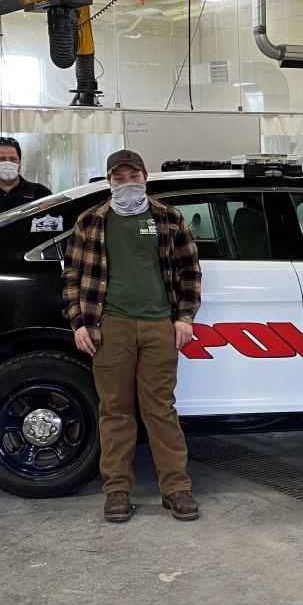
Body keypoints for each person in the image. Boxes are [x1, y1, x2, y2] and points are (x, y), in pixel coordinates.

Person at [62, 149, 202, 523]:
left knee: (161, 410)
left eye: (133, 176)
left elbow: (190, 271)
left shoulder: (169, 219)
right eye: (119, 178)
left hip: (159, 327)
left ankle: (176, 489)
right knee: (116, 412)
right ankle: (118, 491)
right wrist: (79, 323)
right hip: (110, 328)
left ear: (145, 178)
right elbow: (72, 279)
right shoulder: (90, 221)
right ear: (109, 182)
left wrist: (185, 317)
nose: (127, 183)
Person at [0, 136, 51, 213]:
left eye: (12, 159)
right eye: (2, 159)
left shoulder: (40, 192)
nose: (8, 163)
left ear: (19, 161)